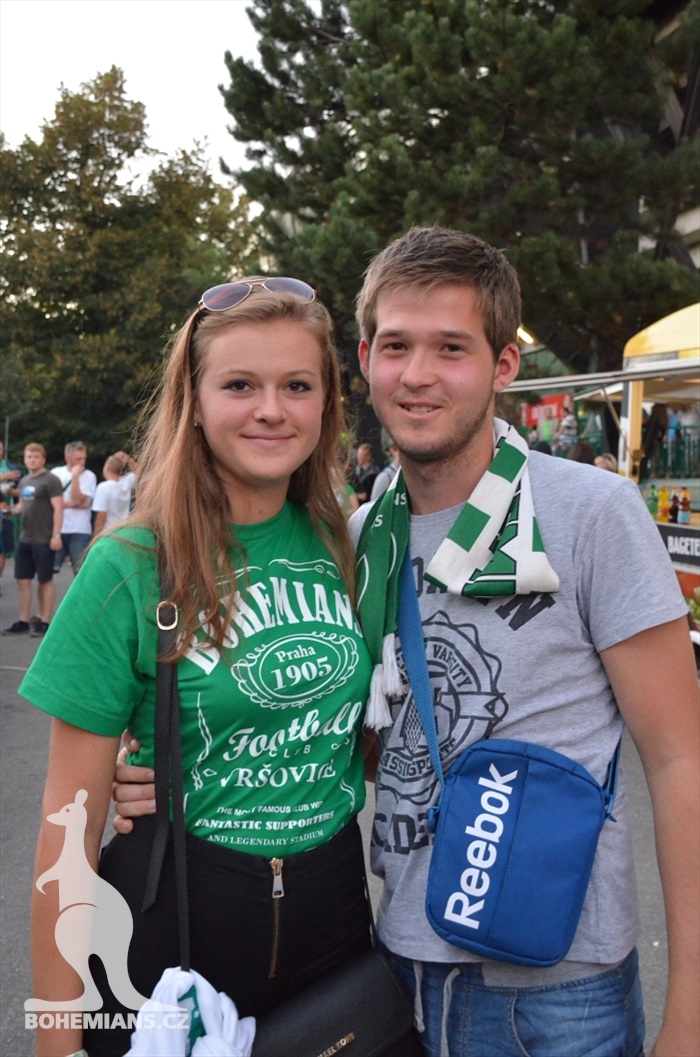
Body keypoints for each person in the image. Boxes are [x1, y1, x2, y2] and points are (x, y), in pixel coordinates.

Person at [114, 230, 699, 1057]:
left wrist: (690, 1018)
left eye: (451, 348)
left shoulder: (592, 513)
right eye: (396, 346)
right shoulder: (360, 536)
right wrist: (166, 766)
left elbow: (680, 761)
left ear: (503, 365)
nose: (418, 373)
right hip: (395, 969)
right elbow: (359, 745)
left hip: (559, 990)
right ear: (365, 359)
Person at [21, 277, 375, 1057]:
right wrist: (57, 1044)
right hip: (173, 947)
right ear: (195, 399)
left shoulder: (344, 544)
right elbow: (66, 831)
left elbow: (368, 731)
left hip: (336, 931)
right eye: (240, 384)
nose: (271, 409)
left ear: (326, 403)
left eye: (297, 385)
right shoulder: (128, 564)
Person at [2, 443, 63, 637]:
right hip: (25, 538)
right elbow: (21, 506)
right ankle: (23, 620)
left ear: (43, 459)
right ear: (25, 459)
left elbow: (59, 508)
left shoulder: (51, 480)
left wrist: (56, 535)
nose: (32, 460)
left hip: (44, 538)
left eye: (36, 457)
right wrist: (8, 510)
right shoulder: (25, 480)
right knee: (22, 580)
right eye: (29, 456)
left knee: (45, 580)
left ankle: (45, 621)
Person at [51, 441, 97, 574]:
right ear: (67, 458)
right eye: (78, 459)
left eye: (84, 458)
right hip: (57, 528)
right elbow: (49, 502)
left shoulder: (89, 476)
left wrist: (75, 476)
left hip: (80, 529)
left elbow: (79, 500)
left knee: (79, 570)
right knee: (49, 570)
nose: (82, 462)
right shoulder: (55, 473)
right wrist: (76, 504)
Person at [91, 450, 137, 535]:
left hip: (109, 531)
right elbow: (138, 470)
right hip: (124, 528)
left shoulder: (103, 487)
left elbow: (101, 516)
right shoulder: (126, 483)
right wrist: (127, 458)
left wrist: (96, 535)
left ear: (107, 468)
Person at [0, 439, 21, 591]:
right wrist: (3, 477)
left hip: (5, 514)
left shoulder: (10, 467)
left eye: (1, 449)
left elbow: (20, 491)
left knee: (3, 552)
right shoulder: (7, 472)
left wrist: (12, 492)